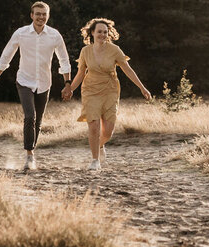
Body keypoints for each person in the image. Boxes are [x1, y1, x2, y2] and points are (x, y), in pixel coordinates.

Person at [0, 1, 71, 171]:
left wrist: (67, 83)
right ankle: (29, 155)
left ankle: (31, 151)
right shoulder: (21, 33)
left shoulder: (54, 35)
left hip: (44, 83)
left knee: (38, 121)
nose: (41, 17)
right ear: (31, 15)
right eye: (37, 14)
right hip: (24, 81)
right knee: (29, 116)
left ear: (48, 16)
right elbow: (5, 57)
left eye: (44, 14)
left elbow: (64, 60)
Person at [62, 17, 151, 171]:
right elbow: (81, 74)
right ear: (92, 33)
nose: (102, 34)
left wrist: (142, 88)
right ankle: (95, 160)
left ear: (108, 33)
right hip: (90, 91)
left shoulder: (115, 50)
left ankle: (100, 144)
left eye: (105, 32)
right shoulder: (85, 51)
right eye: (99, 32)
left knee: (108, 131)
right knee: (94, 125)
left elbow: (128, 69)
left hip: (110, 91)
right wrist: (70, 89)